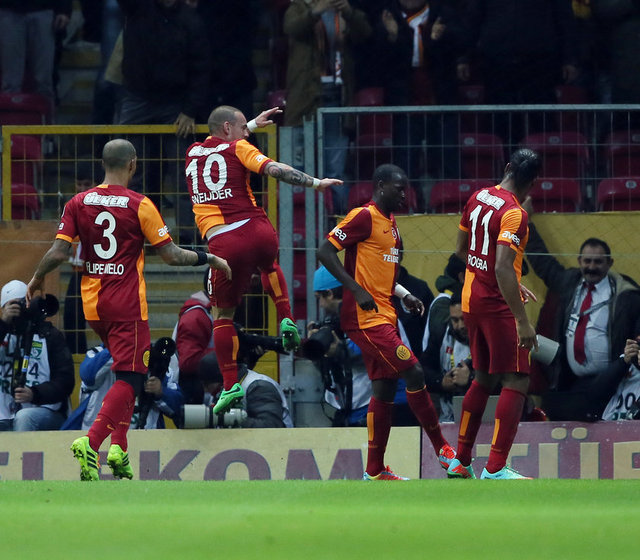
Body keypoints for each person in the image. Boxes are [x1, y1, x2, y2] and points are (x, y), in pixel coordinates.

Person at [26, 138, 231, 481]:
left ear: (102, 164)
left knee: (127, 372)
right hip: (127, 305)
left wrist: (35, 277)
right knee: (132, 377)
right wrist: (208, 257)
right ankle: (92, 442)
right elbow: (171, 255)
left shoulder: (78, 201)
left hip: (93, 304)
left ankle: (119, 449)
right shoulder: (140, 204)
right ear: (133, 164)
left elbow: (59, 252)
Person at [185, 104, 343, 415]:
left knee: (222, 316)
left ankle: (229, 385)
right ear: (229, 129)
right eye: (243, 128)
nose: (247, 133)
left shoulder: (192, 152)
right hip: (257, 228)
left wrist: (251, 125)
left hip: (224, 242)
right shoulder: (240, 148)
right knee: (270, 266)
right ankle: (286, 317)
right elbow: (274, 170)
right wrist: (315, 183)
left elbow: (225, 142)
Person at [318, 163, 456, 481]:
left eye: (406, 189)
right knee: (414, 371)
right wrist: (355, 289)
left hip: (385, 314)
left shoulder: (391, 225)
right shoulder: (363, 216)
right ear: (380, 186)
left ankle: (375, 469)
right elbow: (325, 251)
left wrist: (404, 294)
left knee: (384, 388)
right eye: (399, 188)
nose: (405, 194)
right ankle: (444, 452)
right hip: (364, 318)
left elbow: (380, 273)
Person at [447, 148, 541, 480]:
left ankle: (461, 461)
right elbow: (501, 266)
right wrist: (522, 321)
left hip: (471, 301)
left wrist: (510, 279)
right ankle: (496, 467)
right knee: (517, 378)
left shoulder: (478, 196)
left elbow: (461, 250)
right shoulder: (515, 213)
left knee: (483, 378)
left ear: (507, 167)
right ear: (533, 183)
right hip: (497, 305)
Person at [117, 0, 211, 244]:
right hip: (138, 97)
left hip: (176, 105)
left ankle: (189, 239)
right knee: (133, 171)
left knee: (184, 173)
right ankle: (136, 235)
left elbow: (201, 69)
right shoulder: (137, 8)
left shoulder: (191, 20)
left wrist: (190, 110)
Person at [524, 211, 640, 395]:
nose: (591, 267)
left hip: (612, 385)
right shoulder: (569, 282)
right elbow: (543, 263)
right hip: (570, 383)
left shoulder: (627, 295)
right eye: (587, 261)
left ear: (609, 263)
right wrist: (527, 224)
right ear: (579, 261)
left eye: (598, 262)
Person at [283, 0, 371, 212]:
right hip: (304, 100)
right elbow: (291, 28)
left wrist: (349, 12)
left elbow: (365, 34)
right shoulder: (299, 8)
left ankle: (338, 219)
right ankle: (300, 220)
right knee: (298, 168)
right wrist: (316, 12)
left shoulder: (342, 12)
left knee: (335, 170)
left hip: (337, 99)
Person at [0, 280, 75, 431]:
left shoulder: (49, 335)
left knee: (24, 417)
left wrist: (34, 394)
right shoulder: (3, 333)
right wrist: (4, 324)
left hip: (45, 412)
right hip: (4, 415)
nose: (19, 309)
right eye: (12, 305)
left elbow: (66, 381)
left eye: (22, 303)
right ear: (3, 309)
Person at [62, 340, 184, 431]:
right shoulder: (97, 353)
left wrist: (161, 392)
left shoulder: (156, 363)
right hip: (99, 437)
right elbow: (88, 376)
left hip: (144, 441)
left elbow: (179, 406)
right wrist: (119, 349)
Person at [306, 265, 373, 427]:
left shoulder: (369, 315)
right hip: (347, 408)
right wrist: (318, 347)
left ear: (329, 294)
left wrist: (341, 350)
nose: (320, 305)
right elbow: (325, 367)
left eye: (319, 298)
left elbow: (374, 351)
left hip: (371, 406)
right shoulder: (335, 322)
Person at [0, 0, 71, 108]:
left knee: (44, 82)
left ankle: (46, 116)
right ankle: (11, 117)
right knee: (11, 83)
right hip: (9, 10)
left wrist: (64, 10)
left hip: (42, 10)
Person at [198, 350, 293, 429]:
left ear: (223, 381)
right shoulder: (219, 393)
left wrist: (227, 418)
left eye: (206, 385)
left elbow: (270, 426)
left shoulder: (259, 387)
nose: (205, 390)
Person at [421, 290, 473, 422]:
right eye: (455, 320)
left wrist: (471, 379)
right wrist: (441, 382)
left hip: (484, 416)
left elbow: (502, 379)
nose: (460, 325)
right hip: (448, 417)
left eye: (464, 319)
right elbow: (423, 370)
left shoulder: (489, 337)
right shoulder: (441, 332)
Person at [172, 271, 214, 405]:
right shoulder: (196, 317)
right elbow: (188, 362)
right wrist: (226, 352)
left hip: (202, 393)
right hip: (195, 399)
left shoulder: (211, 312)